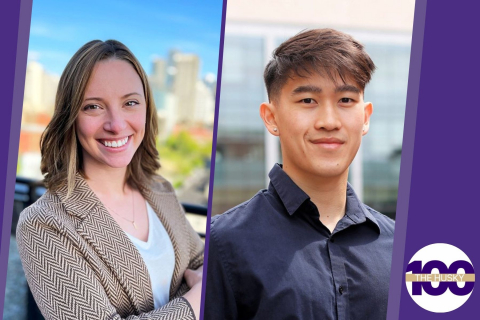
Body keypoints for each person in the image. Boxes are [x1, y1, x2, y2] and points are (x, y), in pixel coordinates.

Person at [205, 29, 395, 320]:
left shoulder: (401, 247)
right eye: (308, 100)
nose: (329, 122)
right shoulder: (223, 243)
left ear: (365, 117)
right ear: (271, 118)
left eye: (345, 100)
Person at [17, 40, 204, 320]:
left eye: (130, 103)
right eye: (93, 107)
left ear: (146, 109)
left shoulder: (158, 187)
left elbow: (203, 262)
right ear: (71, 117)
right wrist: (195, 301)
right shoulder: (43, 224)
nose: (116, 124)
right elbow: (205, 285)